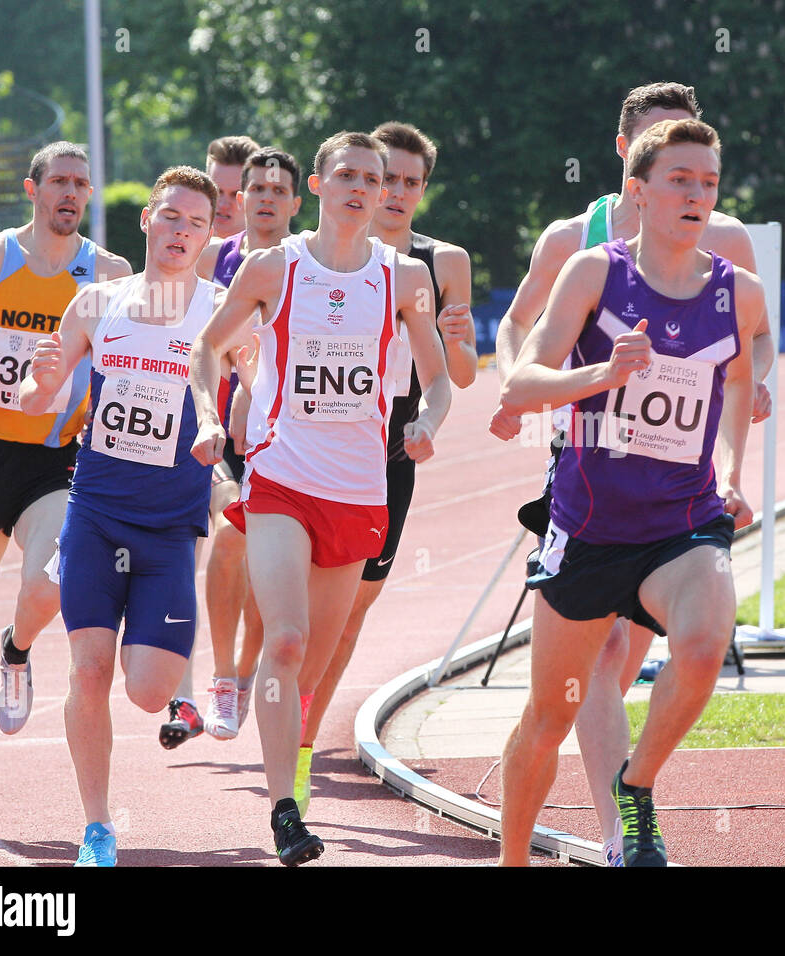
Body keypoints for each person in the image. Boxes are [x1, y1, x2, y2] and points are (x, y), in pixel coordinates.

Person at [490, 81, 772, 867]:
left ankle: (635, 787)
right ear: (638, 191)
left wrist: (734, 471)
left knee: (707, 641)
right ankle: (513, 857)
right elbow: (520, 383)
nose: (697, 195)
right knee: (550, 714)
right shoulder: (592, 271)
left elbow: (744, 377)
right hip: (587, 525)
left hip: (682, 521)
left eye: (709, 183)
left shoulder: (737, 291)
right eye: (681, 180)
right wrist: (598, 378)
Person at [188, 130, 450, 866]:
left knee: (314, 658)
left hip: (359, 487)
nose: (365, 187)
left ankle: (294, 769)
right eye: (348, 175)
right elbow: (208, 348)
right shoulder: (276, 268)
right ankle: (281, 812)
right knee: (289, 639)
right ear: (318, 184)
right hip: (281, 476)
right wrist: (212, 417)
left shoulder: (403, 280)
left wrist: (428, 422)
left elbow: (438, 378)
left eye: (374, 177)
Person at [19, 166, 225, 866]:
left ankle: (169, 689)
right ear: (146, 220)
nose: (180, 232)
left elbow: (261, 390)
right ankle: (98, 827)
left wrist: (235, 435)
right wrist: (41, 382)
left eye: (195, 223)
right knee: (88, 671)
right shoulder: (96, 303)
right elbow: (39, 403)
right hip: (96, 515)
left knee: (148, 692)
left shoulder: (222, 311)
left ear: (207, 234)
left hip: (170, 529)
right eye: (170, 217)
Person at [0, 142, 131, 837]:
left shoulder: (109, 273)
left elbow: (137, 355)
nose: (71, 193)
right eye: (60, 182)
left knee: (53, 577)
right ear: (33, 190)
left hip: (56, 458)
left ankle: (18, 650)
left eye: (82, 183)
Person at [294, 121, 476, 816]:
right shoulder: (323, 255)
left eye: (409, 182)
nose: (394, 193)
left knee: (347, 618)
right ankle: (282, 705)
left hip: (390, 453)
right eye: (385, 178)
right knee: (299, 614)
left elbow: (458, 373)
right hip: (314, 443)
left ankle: (303, 741)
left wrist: (458, 343)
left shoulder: (441, 262)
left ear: (423, 191)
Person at [164, 146, 305, 746]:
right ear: (238, 201)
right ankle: (216, 682)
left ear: (297, 203)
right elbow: (194, 335)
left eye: (280, 191)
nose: (266, 199)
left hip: (291, 440)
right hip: (217, 433)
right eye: (256, 191)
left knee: (262, 580)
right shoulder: (216, 259)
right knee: (225, 544)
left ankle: (244, 677)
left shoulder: (310, 263)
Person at [206, 135, 262, 241]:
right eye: (217, 191)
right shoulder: (175, 251)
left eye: (235, 195)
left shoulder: (278, 255)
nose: (223, 204)